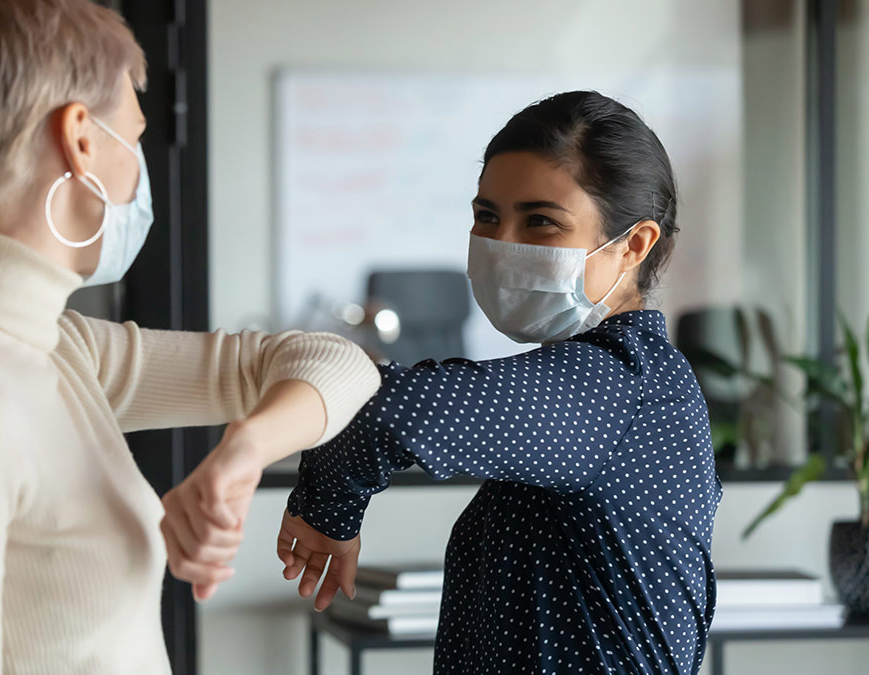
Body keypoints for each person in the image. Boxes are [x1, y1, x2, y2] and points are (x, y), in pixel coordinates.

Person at [0, 1, 379, 673]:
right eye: (133, 136)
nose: (138, 168)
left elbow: (340, 362)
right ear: (80, 139)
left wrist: (242, 451)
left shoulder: (55, 347)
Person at [274, 92, 722, 674]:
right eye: (487, 216)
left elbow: (385, 410)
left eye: (540, 221)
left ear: (634, 245)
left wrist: (327, 510)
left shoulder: (619, 384)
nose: (502, 243)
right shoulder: (610, 385)